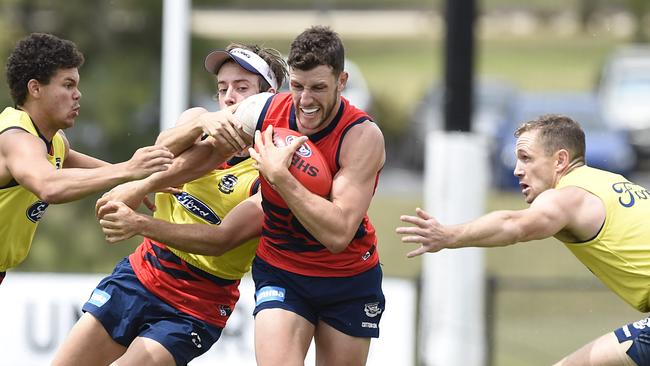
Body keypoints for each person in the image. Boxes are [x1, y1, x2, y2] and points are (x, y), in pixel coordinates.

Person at [97, 25, 386, 366]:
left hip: (346, 277)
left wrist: (280, 177)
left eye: (318, 88)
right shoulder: (263, 110)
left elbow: (337, 234)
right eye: (297, 86)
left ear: (342, 81)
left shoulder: (361, 137)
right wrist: (142, 185)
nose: (305, 101)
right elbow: (207, 154)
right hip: (283, 269)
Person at [51, 43, 287, 366]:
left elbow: (221, 241)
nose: (229, 97)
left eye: (241, 88)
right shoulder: (198, 122)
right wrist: (200, 126)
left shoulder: (271, 167)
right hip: (141, 273)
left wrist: (138, 223)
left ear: (267, 97)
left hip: (196, 302)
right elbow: (160, 151)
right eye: (222, 88)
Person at [396, 114, 650, 366]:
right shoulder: (612, 181)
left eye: (526, 158)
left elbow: (513, 225)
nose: (518, 170)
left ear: (560, 160)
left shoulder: (567, 196)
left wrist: (449, 235)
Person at [0, 33, 174, 284]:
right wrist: (128, 169)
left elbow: (68, 159)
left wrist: (144, 180)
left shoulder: (53, 142)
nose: (78, 94)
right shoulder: (18, 139)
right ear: (35, 88)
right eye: (68, 85)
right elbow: (49, 186)